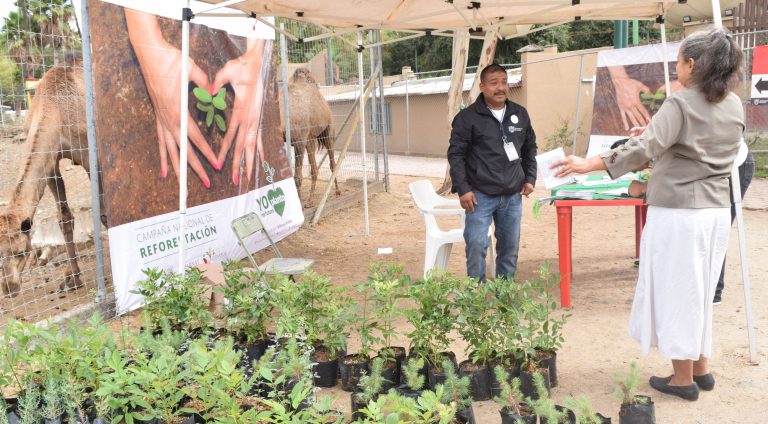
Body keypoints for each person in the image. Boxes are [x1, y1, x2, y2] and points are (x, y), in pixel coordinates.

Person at [552, 28, 743, 401]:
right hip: (716, 211)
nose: (677, 68)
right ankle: (701, 368)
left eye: (679, 61)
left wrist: (590, 162)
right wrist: (659, 136)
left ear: (692, 64)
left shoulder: (681, 103)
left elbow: (646, 147)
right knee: (701, 291)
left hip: (680, 214)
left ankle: (682, 379)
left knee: (678, 292)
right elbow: (690, 145)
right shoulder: (733, 104)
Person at [447, 63, 537, 281]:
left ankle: (504, 295)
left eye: (504, 82)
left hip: (512, 196)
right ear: (482, 87)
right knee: (477, 245)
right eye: (494, 83)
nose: (500, 88)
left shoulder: (519, 114)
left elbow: (529, 148)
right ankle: (476, 297)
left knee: (509, 247)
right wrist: (463, 189)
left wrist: (529, 178)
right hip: (479, 196)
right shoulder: (467, 118)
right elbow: (456, 155)